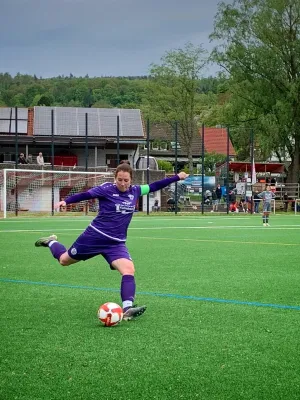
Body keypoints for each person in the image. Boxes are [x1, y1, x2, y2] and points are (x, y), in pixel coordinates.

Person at [35, 163, 189, 321]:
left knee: (128, 269)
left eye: (126, 180)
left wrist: (177, 177)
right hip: (94, 237)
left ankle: (128, 308)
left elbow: (155, 185)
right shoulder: (106, 189)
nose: (123, 183)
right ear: (115, 178)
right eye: (120, 180)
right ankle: (50, 242)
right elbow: (86, 195)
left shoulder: (135, 191)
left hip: (116, 243)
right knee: (64, 260)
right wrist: (66, 201)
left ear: (131, 180)